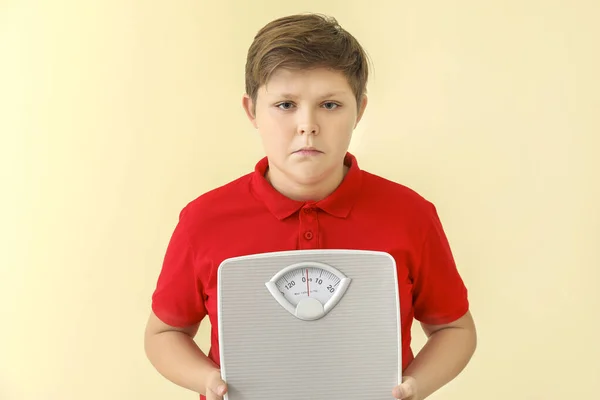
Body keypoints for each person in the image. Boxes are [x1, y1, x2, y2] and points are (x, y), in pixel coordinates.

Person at [144, 13, 477, 400]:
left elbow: (455, 329)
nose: (308, 125)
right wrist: (208, 381)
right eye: (285, 104)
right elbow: (163, 333)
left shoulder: (410, 214)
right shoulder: (203, 220)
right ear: (251, 110)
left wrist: (415, 386)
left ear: (360, 110)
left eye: (330, 105)